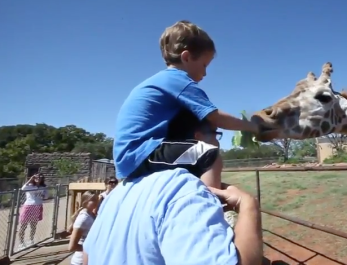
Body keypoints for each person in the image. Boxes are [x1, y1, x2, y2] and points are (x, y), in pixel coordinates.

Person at [83, 20, 263, 265]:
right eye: (205, 64)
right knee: (209, 153)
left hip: (131, 162)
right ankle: (212, 199)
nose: (205, 73)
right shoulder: (178, 80)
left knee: (200, 154)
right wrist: (253, 126)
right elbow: (215, 117)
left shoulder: (157, 81)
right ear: (187, 57)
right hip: (144, 152)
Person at [18, 173, 48, 250]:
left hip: (38, 206)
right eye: (36, 177)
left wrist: (43, 195)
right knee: (23, 225)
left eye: (40, 177)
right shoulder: (30, 186)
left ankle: (31, 240)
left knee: (33, 225)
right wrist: (30, 180)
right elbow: (23, 189)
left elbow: (46, 196)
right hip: (28, 206)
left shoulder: (43, 187)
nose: (38, 178)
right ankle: (21, 243)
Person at [68, 191, 98, 265]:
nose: (96, 202)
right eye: (93, 200)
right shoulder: (83, 218)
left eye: (96, 199)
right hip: (80, 261)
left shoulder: (91, 214)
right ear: (85, 201)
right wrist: (91, 249)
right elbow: (72, 247)